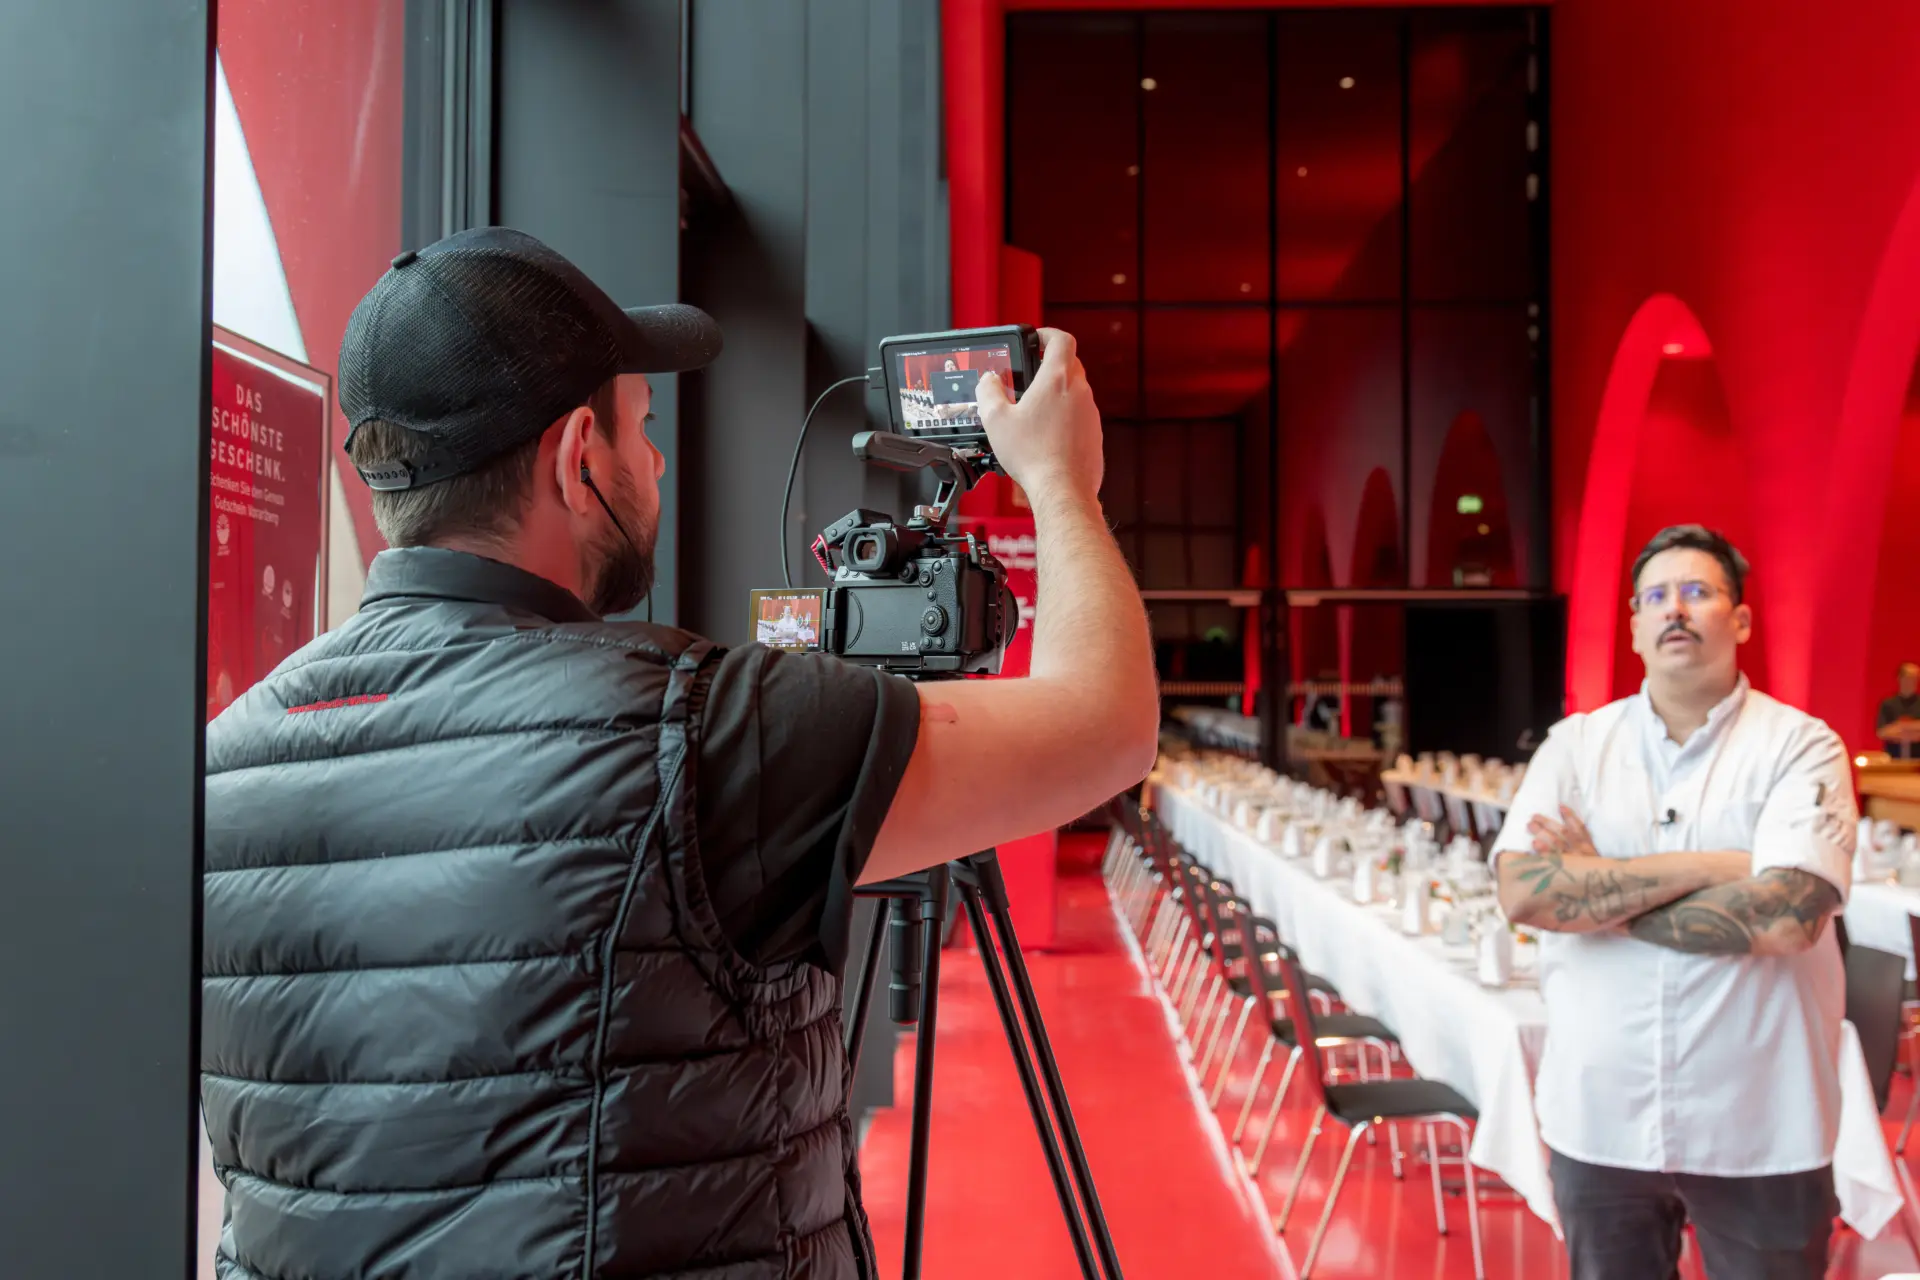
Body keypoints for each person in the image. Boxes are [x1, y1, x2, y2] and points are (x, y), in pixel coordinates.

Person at [198, 228, 1158, 1280]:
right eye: (642, 430)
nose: (653, 463)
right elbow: (1105, 726)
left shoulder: (220, 766)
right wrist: (1064, 485)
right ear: (578, 460)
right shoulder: (697, 729)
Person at [1491, 523, 1856, 1280]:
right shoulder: (1576, 745)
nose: (1675, 610)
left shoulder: (1802, 745)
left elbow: (1786, 916)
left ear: (1741, 619)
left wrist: (1599, 886)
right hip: (1601, 1111)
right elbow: (1524, 893)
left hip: (1761, 1114)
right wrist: (1721, 865)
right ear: (1633, 626)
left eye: (1697, 592)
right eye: (1655, 597)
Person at [1876, 660, 1920, 760]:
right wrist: (1913, 730)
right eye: (1909, 678)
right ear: (1900, 678)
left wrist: (1901, 727)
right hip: (1892, 758)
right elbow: (1882, 732)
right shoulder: (1888, 704)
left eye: (1916, 678)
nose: (1913, 682)